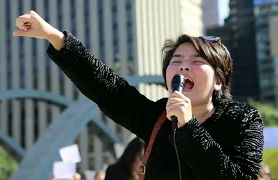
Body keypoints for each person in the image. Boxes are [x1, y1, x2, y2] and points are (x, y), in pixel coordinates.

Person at [14, 11, 264, 179]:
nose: (183, 67)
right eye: (176, 61)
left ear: (219, 80)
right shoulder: (157, 117)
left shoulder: (243, 119)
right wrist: (54, 37)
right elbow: (108, 88)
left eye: (197, 61)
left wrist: (189, 127)